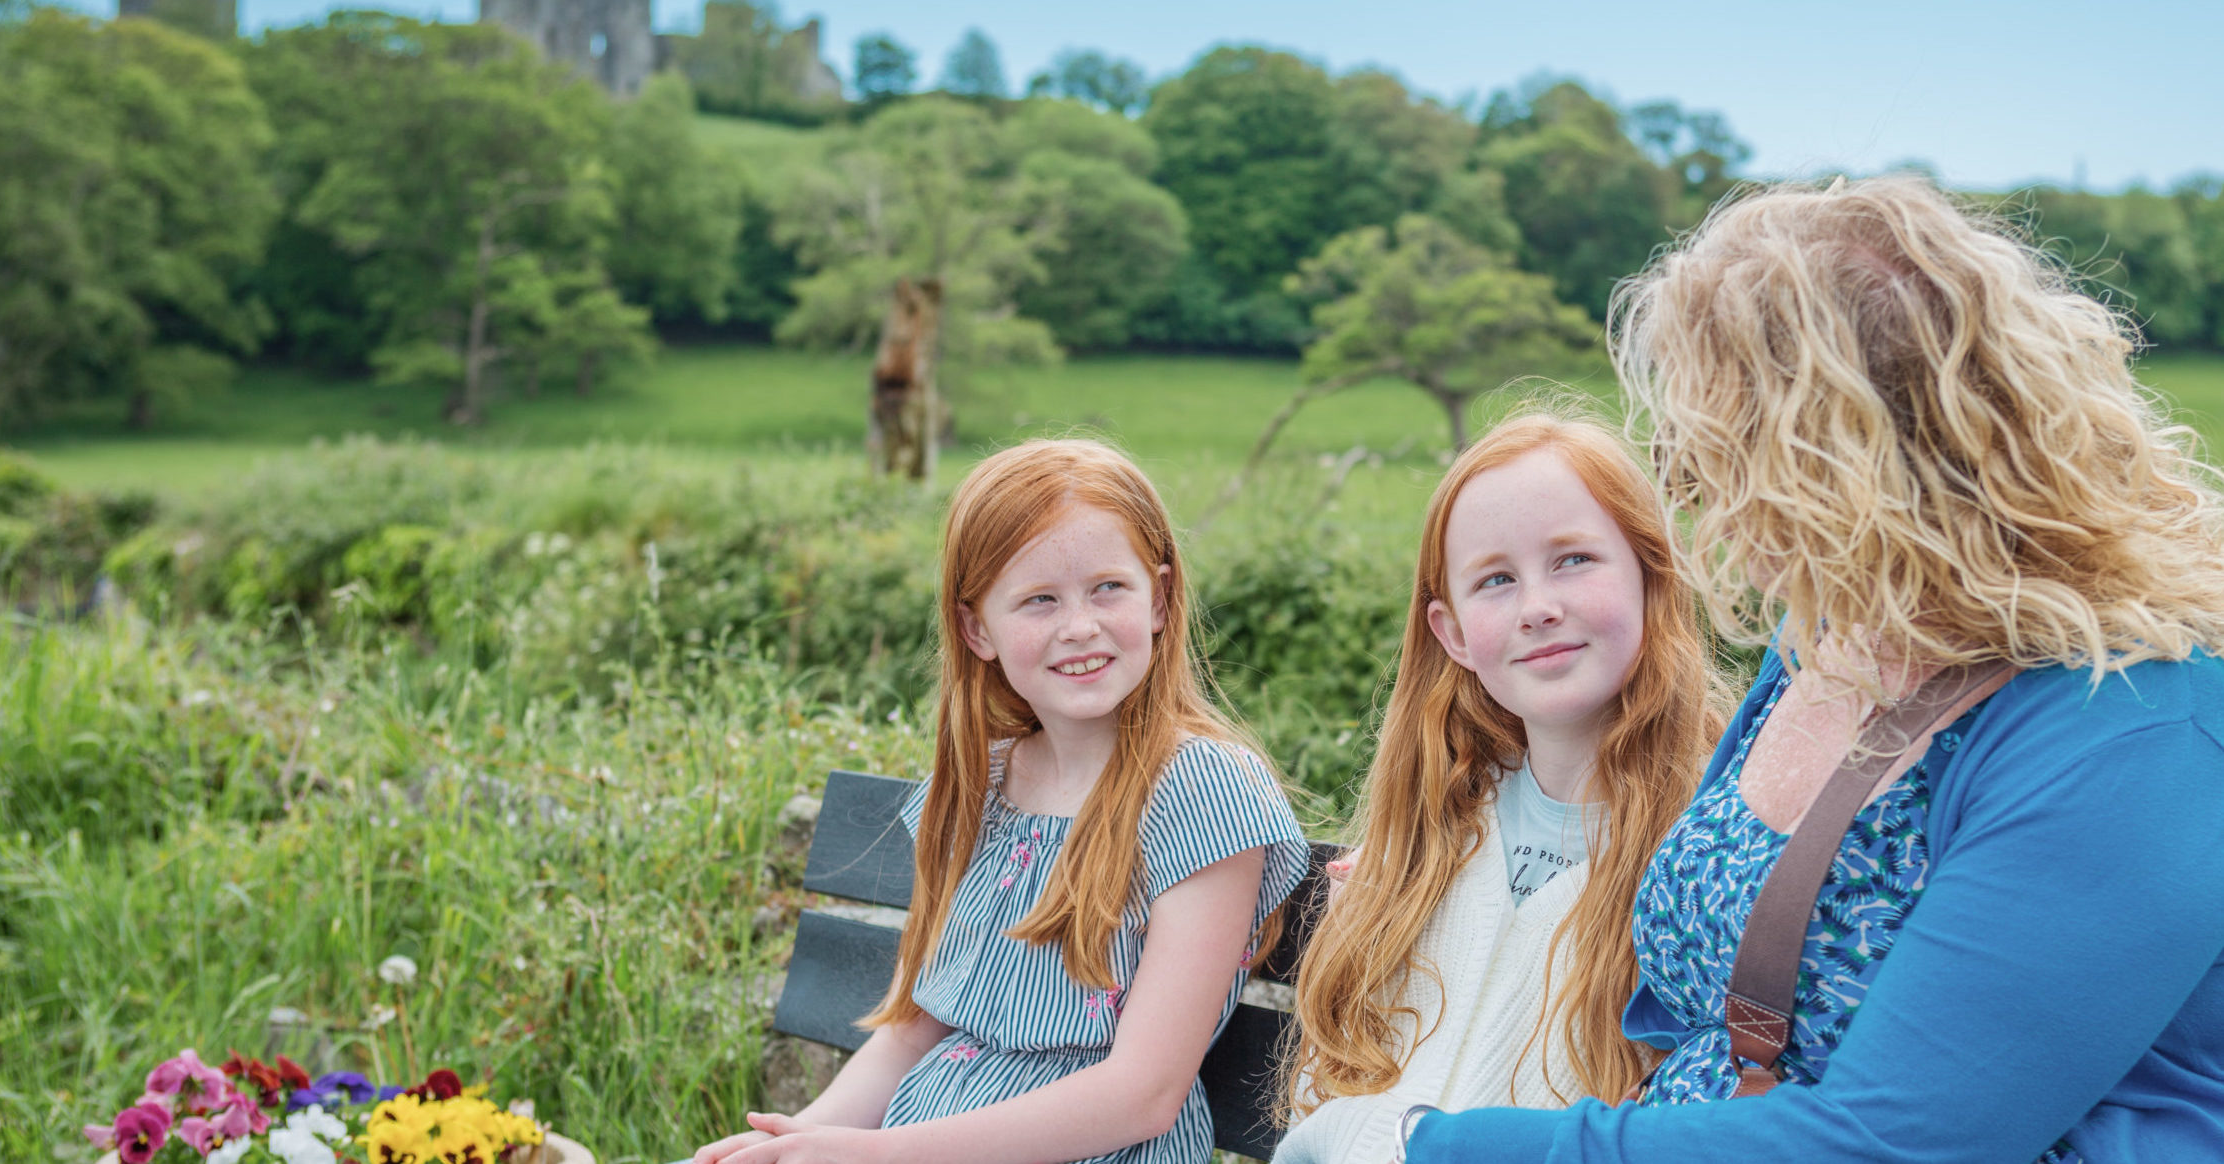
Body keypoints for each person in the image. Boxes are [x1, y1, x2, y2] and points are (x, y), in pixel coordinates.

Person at [1402, 176, 2224, 1163]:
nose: (1694, 485)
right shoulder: (1828, 638)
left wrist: (1442, 1150)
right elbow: (1703, 986)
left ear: (1838, 462)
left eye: (1717, 445)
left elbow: (1891, 1142)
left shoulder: (2130, 725)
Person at [690, 438, 1311, 1164]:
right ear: (977, 629)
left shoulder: (1202, 792)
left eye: (1108, 587)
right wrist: (798, 1141)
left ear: (1160, 599)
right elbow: (907, 1036)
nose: (1078, 626)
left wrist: (870, 1156)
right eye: (1038, 600)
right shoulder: (977, 787)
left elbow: (1142, 1095)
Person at [1272, 411, 1727, 1164]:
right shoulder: (1426, 844)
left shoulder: (1708, 852)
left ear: (1653, 574)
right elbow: (1331, 1093)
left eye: (1574, 559)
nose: (1537, 606)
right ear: (1451, 633)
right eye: (1495, 580)